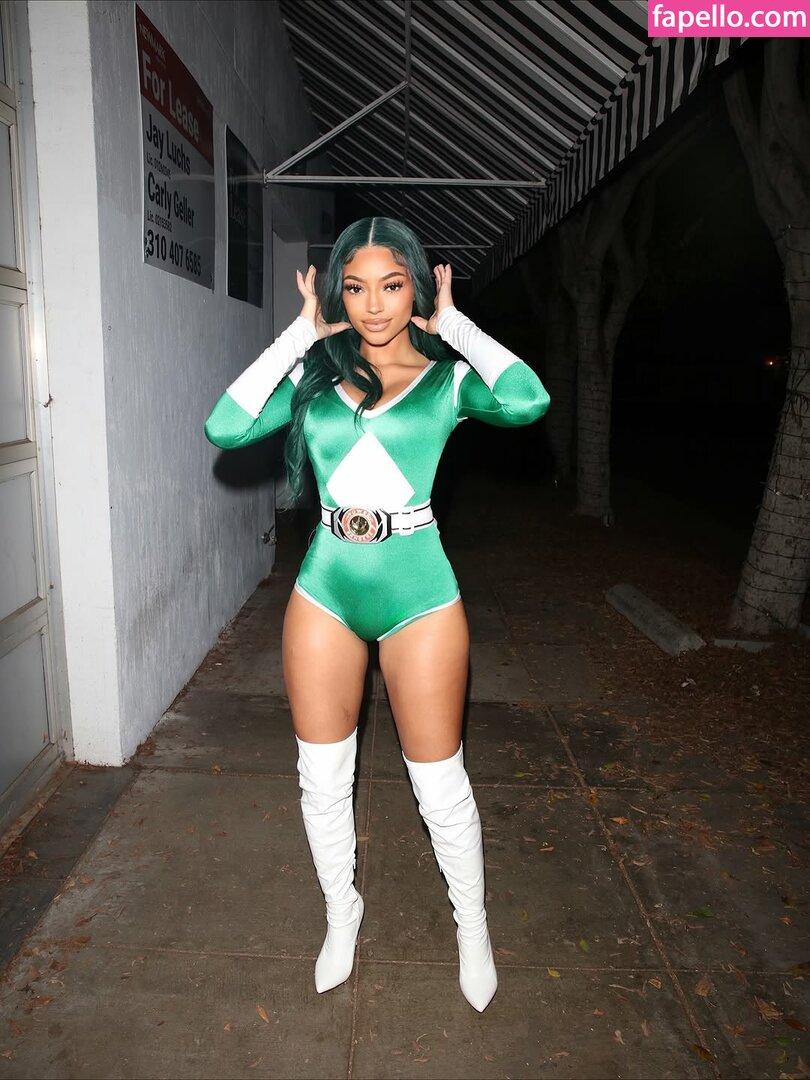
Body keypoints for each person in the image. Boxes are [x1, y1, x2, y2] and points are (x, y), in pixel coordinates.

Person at [205, 217, 549, 1012]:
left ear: (415, 287)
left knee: (439, 781)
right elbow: (225, 425)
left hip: (417, 592)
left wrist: (454, 326)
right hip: (326, 586)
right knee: (323, 779)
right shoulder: (314, 381)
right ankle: (342, 914)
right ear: (337, 293)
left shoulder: (447, 382)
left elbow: (527, 399)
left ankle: (472, 929)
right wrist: (299, 335)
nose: (373, 304)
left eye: (391, 285)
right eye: (354, 287)